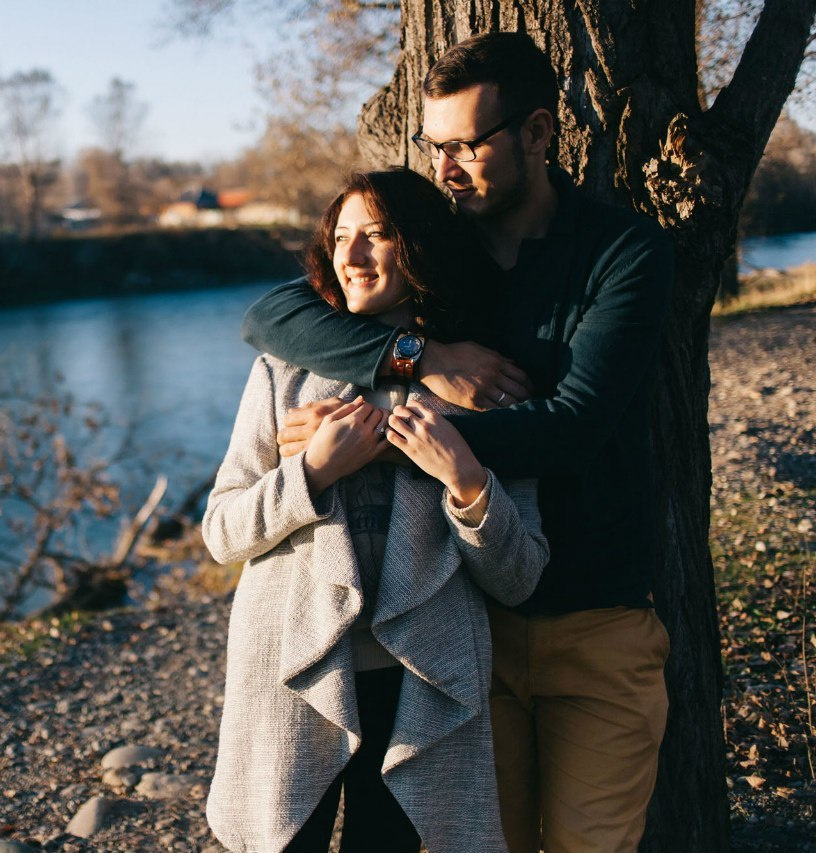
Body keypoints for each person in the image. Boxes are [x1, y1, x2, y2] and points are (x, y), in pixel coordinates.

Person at [241, 32, 675, 853]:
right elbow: (272, 312)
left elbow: (574, 429)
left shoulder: (621, 252)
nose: (446, 168)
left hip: (595, 616)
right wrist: (419, 356)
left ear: (540, 135)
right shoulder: (440, 244)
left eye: (467, 146)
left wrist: (376, 438)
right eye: (434, 147)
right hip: (468, 628)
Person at [203, 168, 548, 853]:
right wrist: (314, 471)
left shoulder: (482, 380)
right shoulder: (282, 371)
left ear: (418, 245)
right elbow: (222, 531)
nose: (352, 256)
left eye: (377, 235)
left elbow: (520, 575)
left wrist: (466, 480)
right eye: (340, 238)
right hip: (288, 665)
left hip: (419, 680)